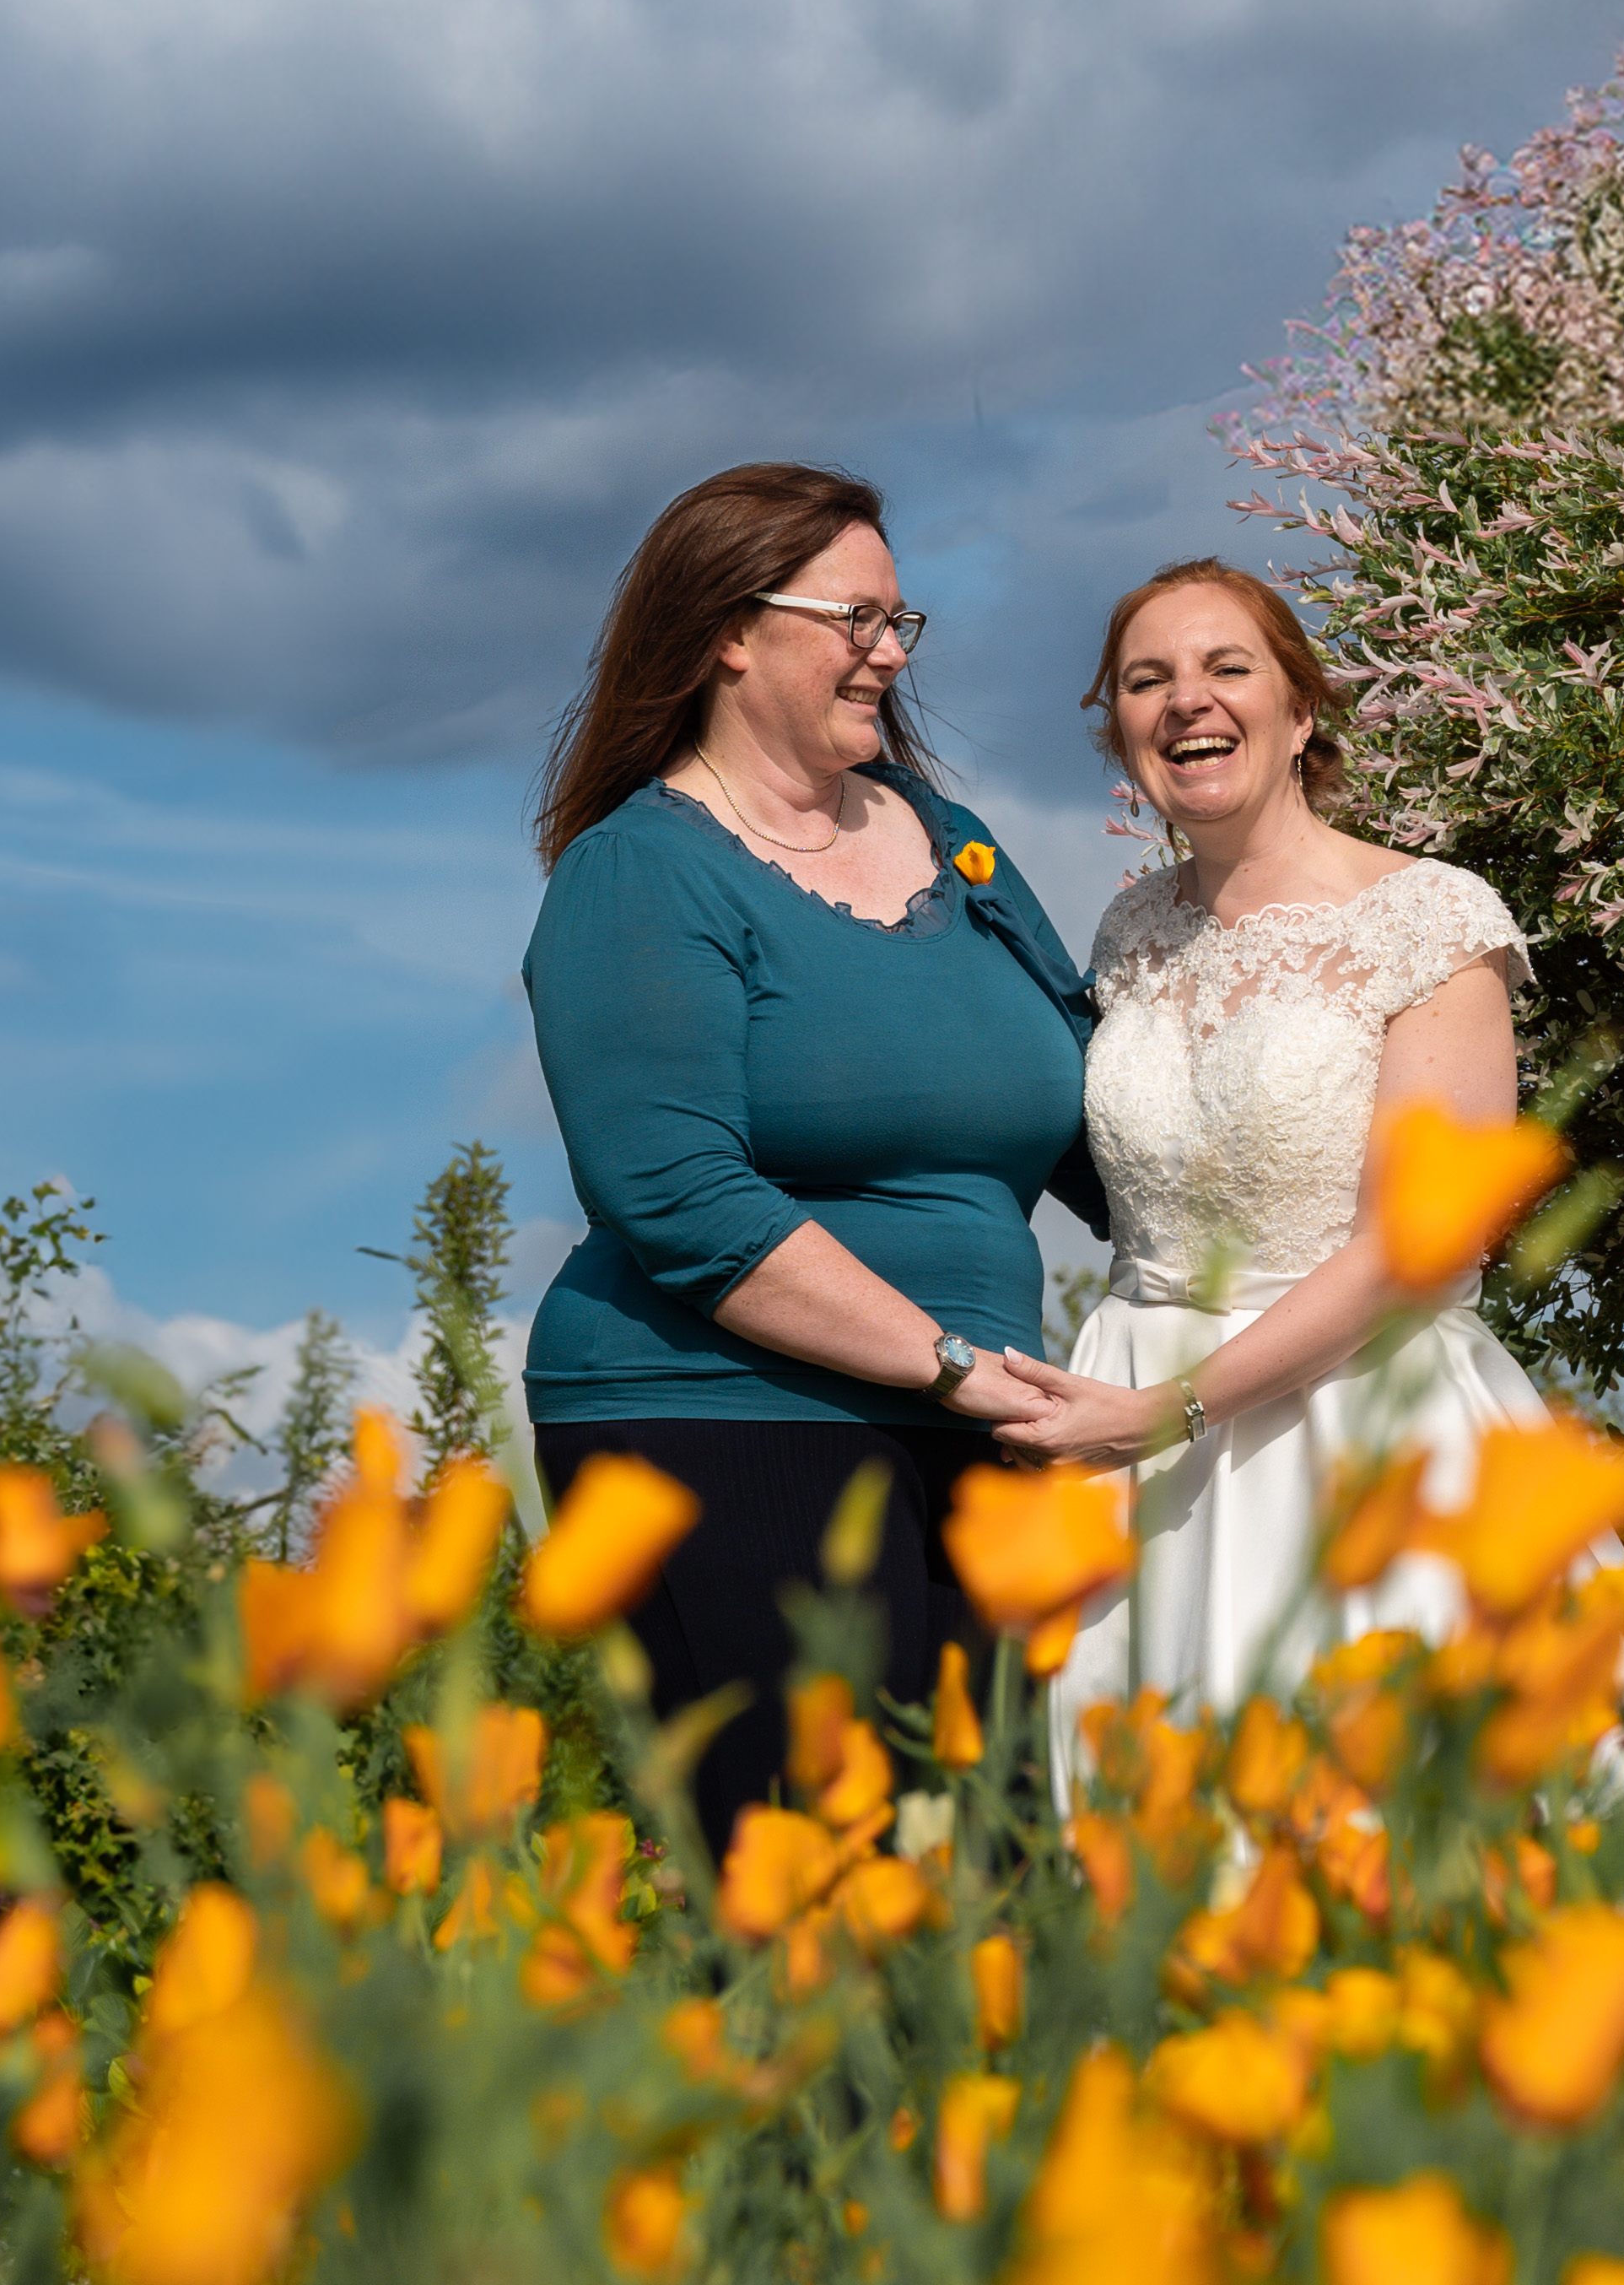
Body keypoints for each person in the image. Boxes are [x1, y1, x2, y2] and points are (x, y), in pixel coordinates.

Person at [522, 462, 1100, 1855]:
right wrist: (952, 1365)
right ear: (731, 629)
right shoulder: (642, 873)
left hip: (970, 1427)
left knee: (998, 1889)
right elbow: (679, 1199)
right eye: (858, 619)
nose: (891, 655)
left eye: (905, 623)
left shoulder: (949, 839)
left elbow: (1100, 1107)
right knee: (829, 1894)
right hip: (724, 1413)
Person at [982, 558, 1538, 1729]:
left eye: (1227, 667)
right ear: (1123, 733)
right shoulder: (1130, 930)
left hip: (1360, 1425)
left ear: (1301, 711)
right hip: (1130, 1424)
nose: (1187, 699)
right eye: (1148, 679)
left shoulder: (1431, 918)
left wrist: (1172, 1408)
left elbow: (1421, 1248)